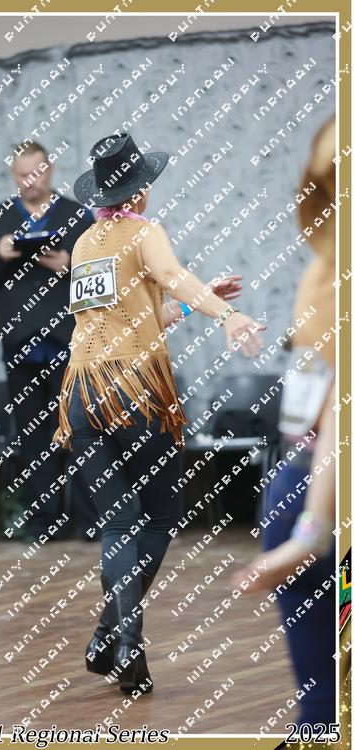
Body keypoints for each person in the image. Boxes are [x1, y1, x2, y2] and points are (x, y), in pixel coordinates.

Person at [52, 132, 265, 693]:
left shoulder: (86, 242)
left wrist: (197, 300)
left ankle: (118, 642)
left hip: (81, 393)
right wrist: (227, 315)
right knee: (163, 512)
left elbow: (134, 313)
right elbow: (172, 276)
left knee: (119, 522)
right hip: (133, 391)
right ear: (139, 191)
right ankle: (116, 637)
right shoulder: (145, 232)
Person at [232, 115, 337, 727]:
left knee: (325, 712)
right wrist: (308, 532)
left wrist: (309, 532)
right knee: (324, 711)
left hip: (313, 496)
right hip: (307, 487)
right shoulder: (325, 273)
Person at [0, 141, 96, 541]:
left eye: (37, 172)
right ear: (13, 175)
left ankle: (92, 521)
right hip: (19, 341)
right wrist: (0, 255)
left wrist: (70, 264)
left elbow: (103, 277)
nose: (30, 181)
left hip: (69, 340)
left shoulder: (77, 214)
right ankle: (44, 523)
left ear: (50, 169)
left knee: (80, 430)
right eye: (22, 174)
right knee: (32, 436)